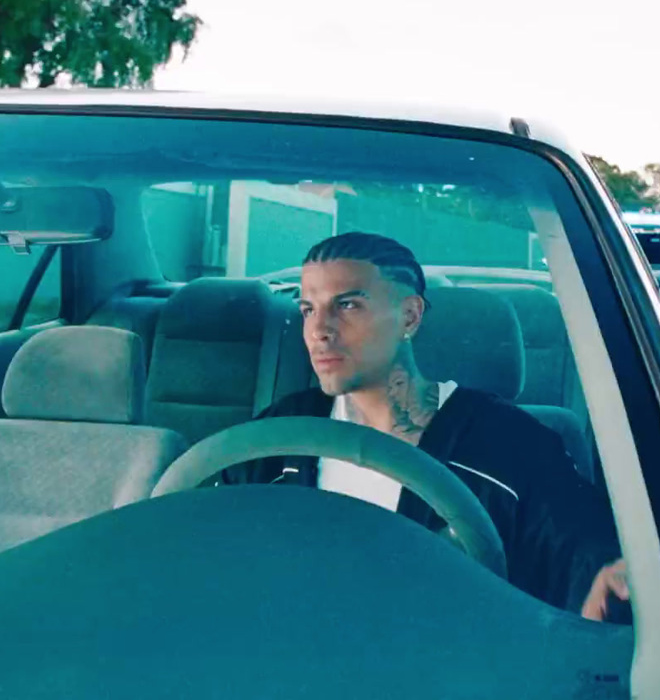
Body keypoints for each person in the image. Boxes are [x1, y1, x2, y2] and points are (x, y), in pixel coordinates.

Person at [221, 232, 630, 621]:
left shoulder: (509, 443)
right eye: (308, 309)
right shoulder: (281, 434)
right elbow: (205, 537)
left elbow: (585, 550)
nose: (318, 331)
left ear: (410, 316)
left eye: (347, 305)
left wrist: (607, 579)